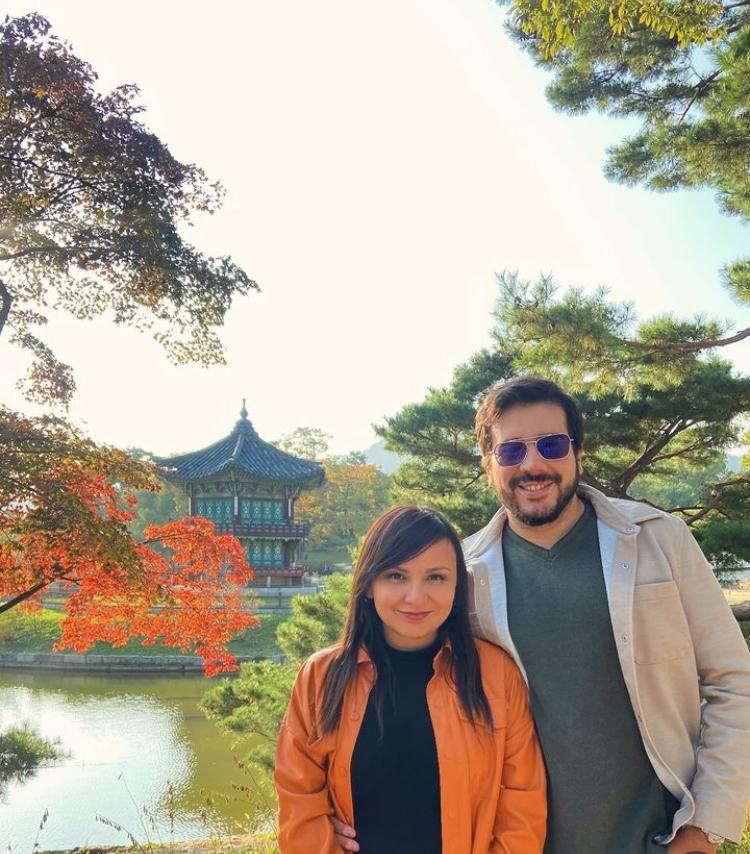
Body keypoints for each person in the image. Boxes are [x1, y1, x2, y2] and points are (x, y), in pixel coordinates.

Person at [335, 376, 750, 854]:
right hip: (517, 842)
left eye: (551, 445)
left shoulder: (659, 540)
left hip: (661, 837)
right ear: (487, 463)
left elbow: (732, 681)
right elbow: (410, 699)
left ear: (577, 453)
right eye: (511, 451)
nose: (533, 465)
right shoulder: (461, 578)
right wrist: (343, 803)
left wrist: (702, 828)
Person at [274, 504, 547, 853]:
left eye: (436, 577)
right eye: (396, 576)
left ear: (456, 586)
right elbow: (299, 799)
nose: (416, 597)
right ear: (369, 584)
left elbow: (522, 808)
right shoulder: (322, 677)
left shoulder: (495, 675)